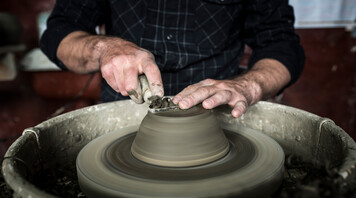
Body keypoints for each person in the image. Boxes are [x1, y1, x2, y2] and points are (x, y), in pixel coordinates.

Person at [40, 0, 305, 117]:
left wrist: (247, 86)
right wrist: (102, 48)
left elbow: (281, 45)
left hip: (217, 116)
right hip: (124, 116)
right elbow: (59, 35)